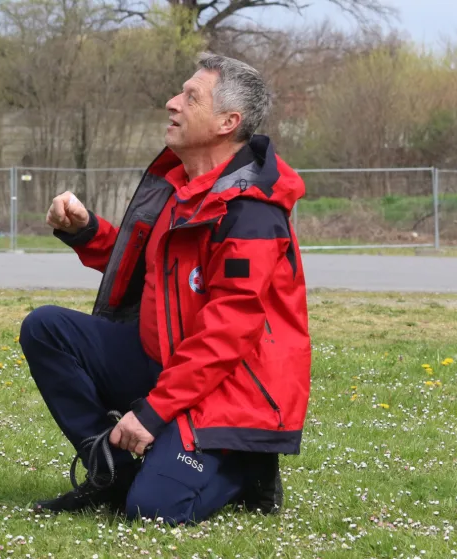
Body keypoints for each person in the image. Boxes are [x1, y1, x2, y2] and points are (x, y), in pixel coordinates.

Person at [19, 52, 311, 525]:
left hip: (231, 389)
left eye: (191, 97)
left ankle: (248, 466)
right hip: (169, 364)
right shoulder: (181, 187)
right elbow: (146, 268)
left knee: (154, 509)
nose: (173, 103)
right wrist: (86, 231)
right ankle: (111, 471)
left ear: (228, 122)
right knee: (46, 328)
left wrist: (152, 414)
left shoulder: (251, 212)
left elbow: (227, 335)